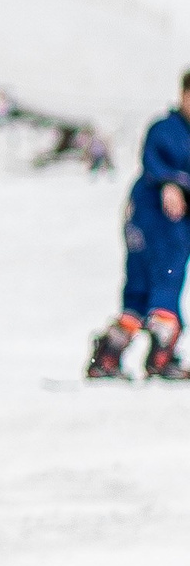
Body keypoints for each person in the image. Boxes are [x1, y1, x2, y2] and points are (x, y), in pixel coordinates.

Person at [86, 73, 190, 380]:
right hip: (152, 221)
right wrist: (170, 183)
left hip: (174, 227)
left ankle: (114, 354)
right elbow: (154, 164)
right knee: (157, 285)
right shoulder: (165, 130)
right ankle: (158, 354)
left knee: (152, 291)